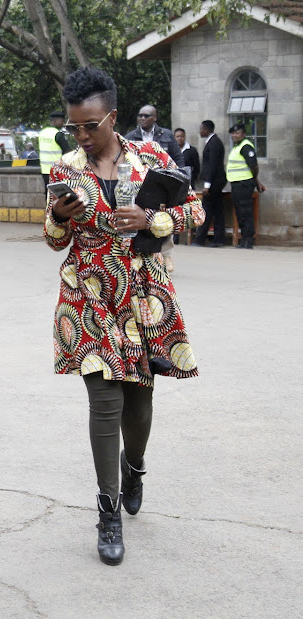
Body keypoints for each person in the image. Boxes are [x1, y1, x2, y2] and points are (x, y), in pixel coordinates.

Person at [44, 67, 204, 566]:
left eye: (90, 125)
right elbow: (54, 240)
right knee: (104, 402)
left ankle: (134, 466)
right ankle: (108, 509)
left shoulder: (153, 157)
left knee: (138, 408)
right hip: (88, 294)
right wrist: (60, 218)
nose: (82, 136)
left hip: (143, 295)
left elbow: (195, 211)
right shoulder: (65, 169)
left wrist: (153, 218)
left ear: (112, 117)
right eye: (74, 127)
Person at [126, 106, 184, 273]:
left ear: (155, 118)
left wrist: (179, 180)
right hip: (140, 186)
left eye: (146, 115)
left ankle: (166, 255)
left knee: (163, 217)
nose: (142, 118)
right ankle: (145, 256)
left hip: (162, 184)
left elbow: (178, 158)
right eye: (140, 115)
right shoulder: (131, 137)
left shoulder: (166, 136)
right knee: (143, 220)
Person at [226, 123, 264, 249]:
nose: (234, 135)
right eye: (233, 133)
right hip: (237, 183)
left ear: (244, 134)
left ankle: (248, 239)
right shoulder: (238, 147)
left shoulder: (246, 146)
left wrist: (254, 180)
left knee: (245, 211)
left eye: (237, 133)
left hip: (244, 183)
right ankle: (244, 239)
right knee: (240, 211)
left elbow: (254, 166)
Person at [192, 120, 226, 247]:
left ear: (206, 130)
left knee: (206, 210)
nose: (200, 131)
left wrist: (207, 185)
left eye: (201, 129)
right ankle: (218, 239)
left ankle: (200, 239)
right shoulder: (212, 142)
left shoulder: (214, 143)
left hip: (214, 183)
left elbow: (212, 165)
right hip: (215, 182)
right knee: (218, 210)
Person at [39, 111, 72, 194]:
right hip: (57, 170)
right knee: (59, 194)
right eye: (62, 121)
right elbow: (67, 152)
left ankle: (49, 207)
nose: (63, 123)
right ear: (55, 121)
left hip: (45, 170)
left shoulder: (42, 133)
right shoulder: (58, 134)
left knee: (48, 193)